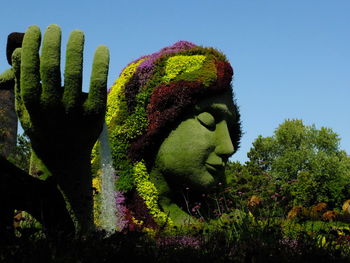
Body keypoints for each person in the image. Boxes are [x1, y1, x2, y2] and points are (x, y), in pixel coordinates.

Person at [97, 41, 241, 228]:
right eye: (208, 120)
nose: (228, 147)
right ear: (155, 123)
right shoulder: (106, 217)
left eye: (230, 128)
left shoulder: (225, 219)